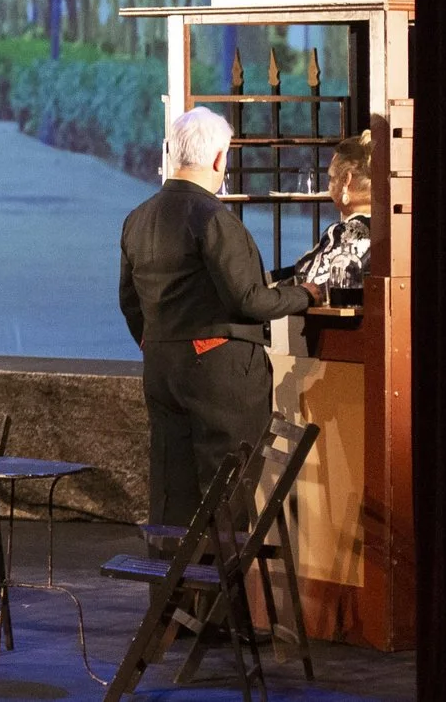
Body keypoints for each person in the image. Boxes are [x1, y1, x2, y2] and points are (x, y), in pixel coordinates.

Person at [119, 106, 324, 525]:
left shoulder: (136, 219)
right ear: (218, 159)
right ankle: (222, 591)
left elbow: (129, 300)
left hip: (160, 366)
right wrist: (305, 294)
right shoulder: (214, 219)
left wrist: (156, 342)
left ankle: (175, 590)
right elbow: (248, 301)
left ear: (173, 153)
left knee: (172, 491)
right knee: (224, 493)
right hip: (217, 373)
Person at [277, 133, 373, 292]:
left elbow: (310, 283)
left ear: (346, 181)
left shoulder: (348, 232)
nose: (328, 186)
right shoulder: (391, 229)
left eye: (331, 177)